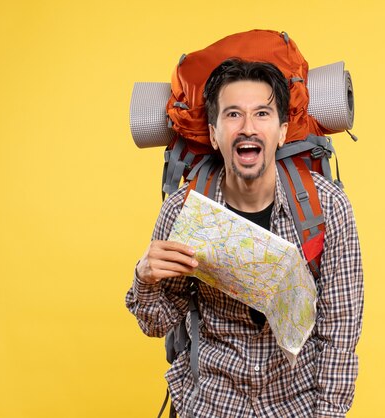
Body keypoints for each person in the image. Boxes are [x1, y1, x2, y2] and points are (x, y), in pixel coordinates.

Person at [126, 58, 364, 417]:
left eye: (262, 114)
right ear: (214, 132)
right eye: (233, 115)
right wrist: (144, 278)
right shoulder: (183, 211)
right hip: (210, 404)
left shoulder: (327, 208)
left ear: (282, 131)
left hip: (294, 406)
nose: (248, 128)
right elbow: (156, 323)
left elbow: (340, 335)